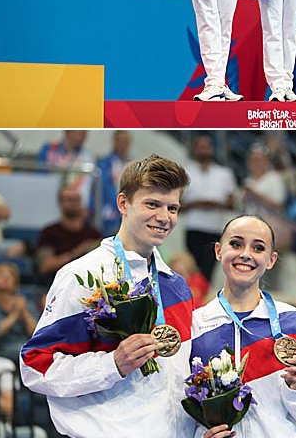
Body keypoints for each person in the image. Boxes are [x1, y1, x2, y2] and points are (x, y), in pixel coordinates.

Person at [21, 156, 194, 438]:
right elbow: (35, 364)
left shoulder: (177, 286)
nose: (164, 217)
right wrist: (112, 364)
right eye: (152, 204)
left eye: (172, 207)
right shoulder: (81, 276)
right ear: (123, 204)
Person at [179, 212, 296, 438]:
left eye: (258, 248)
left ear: (271, 259)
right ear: (218, 251)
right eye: (236, 244)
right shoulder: (193, 327)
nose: (245, 254)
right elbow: (179, 413)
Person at [179, 135, 236, 282]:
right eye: (201, 146)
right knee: (192, 270)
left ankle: (202, 301)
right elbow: (177, 204)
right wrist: (195, 204)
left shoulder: (224, 174)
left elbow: (232, 203)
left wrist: (215, 204)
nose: (204, 150)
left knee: (208, 272)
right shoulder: (186, 172)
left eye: (206, 147)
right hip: (194, 227)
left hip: (214, 228)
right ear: (195, 149)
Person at [36, 184, 101, 287]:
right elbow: (45, 266)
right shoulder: (49, 232)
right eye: (69, 200)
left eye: (76, 200)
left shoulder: (93, 233)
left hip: (88, 286)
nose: (73, 203)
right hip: (56, 285)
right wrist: (77, 252)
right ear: (60, 203)